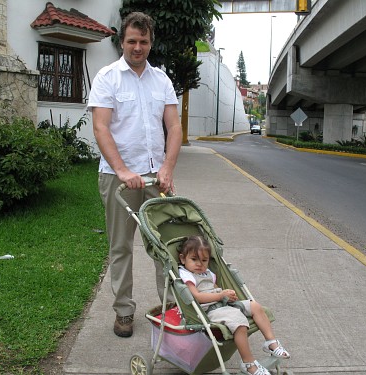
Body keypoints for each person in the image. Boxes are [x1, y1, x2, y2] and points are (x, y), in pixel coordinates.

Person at [88, 11, 182, 338]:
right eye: (132, 41)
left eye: (143, 41)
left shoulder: (162, 80)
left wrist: (167, 168)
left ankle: (171, 310)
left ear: (150, 43)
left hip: (157, 179)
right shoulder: (107, 78)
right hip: (119, 180)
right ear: (122, 41)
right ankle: (124, 312)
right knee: (121, 247)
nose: (137, 47)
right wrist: (123, 170)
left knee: (164, 246)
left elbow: (173, 126)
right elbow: (100, 127)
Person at [178, 236, 290, 375]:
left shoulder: (208, 273)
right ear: (183, 259)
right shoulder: (186, 275)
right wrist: (220, 295)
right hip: (209, 310)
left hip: (223, 304)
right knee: (239, 323)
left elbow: (216, 289)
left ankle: (271, 343)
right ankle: (248, 364)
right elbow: (198, 297)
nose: (199, 264)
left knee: (254, 306)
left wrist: (228, 296)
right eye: (194, 259)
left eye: (204, 260)